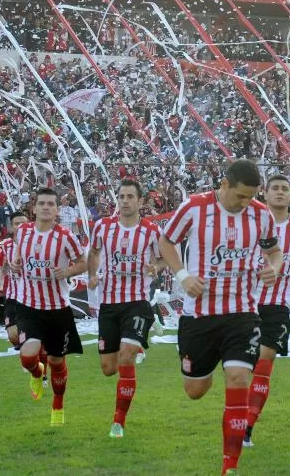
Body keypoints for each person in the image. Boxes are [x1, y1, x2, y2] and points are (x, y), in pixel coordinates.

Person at [159, 159, 282, 476]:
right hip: (199, 315)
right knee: (195, 391)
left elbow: (274, 251)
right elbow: (166, 241)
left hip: (242, 312)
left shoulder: (259, 214)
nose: (246, 203)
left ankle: (230, 466)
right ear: (224, 185)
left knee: (239, 377)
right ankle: (209, 363)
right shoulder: (195, 208)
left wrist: (273, 269)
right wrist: (184, 275)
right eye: (241, 196)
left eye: (251, 196)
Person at [86, 179, 163, 439]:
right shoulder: (103, 227)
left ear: (141, 202)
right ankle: (137, 343)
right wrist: (93, 274)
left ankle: (118, 421)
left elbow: (163, 256)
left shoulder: (151, 231)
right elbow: (94, 253)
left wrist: (156, 267)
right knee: (109, 368)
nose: (125, 201)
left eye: (131, 196)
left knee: (126, 356)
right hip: (109, 304)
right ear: (117, 200)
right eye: (122, 196)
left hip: (138, 302)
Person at [244, 174, 290, 448]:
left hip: (277, 304)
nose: (280, 192)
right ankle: (239, 413)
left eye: (285, 189)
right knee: (242, 367)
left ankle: (247, 427)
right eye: (275, 188)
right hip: (245, 302)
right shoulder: (249, 224)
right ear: (265, 193)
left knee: (264, 362)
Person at [9, 187, 86, 426]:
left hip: (57, 309)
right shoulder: (22, 232)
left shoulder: (65, 237)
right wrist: (16, 263)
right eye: (41, 203)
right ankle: (35, 372)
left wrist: (68, 271)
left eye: (50, 204)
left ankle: (58, 406)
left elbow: (84, 262)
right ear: (34, 208)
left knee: (57, 362)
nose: (45, 207)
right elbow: (18, 258)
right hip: (29, 305)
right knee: (27, 355)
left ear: (56, 209)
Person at [0, 212, 28, 348]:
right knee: (13, 337)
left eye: (23, 224)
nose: (20, 227)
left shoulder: (36, 245)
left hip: (31, 297)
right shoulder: (6, 244)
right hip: (13, 296)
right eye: (17, 224)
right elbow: (5, 264)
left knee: (29, 338)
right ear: (11, 227)